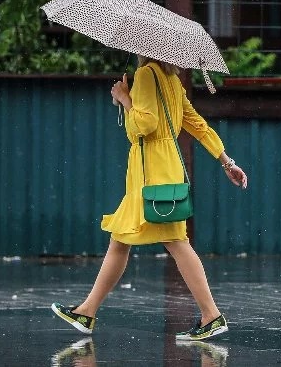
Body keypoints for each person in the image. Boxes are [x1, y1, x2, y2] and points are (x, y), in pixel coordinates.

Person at [52, 57, 248, 341]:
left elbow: (143, 126)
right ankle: (87, 311)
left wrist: (124, 98)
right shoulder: (173, 80)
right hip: (164, 169)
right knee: (122, 238)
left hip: (150, 172)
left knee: (175, 242)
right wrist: (227, 162)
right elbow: (198, 125)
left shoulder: (145, 74)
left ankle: (212, 315)